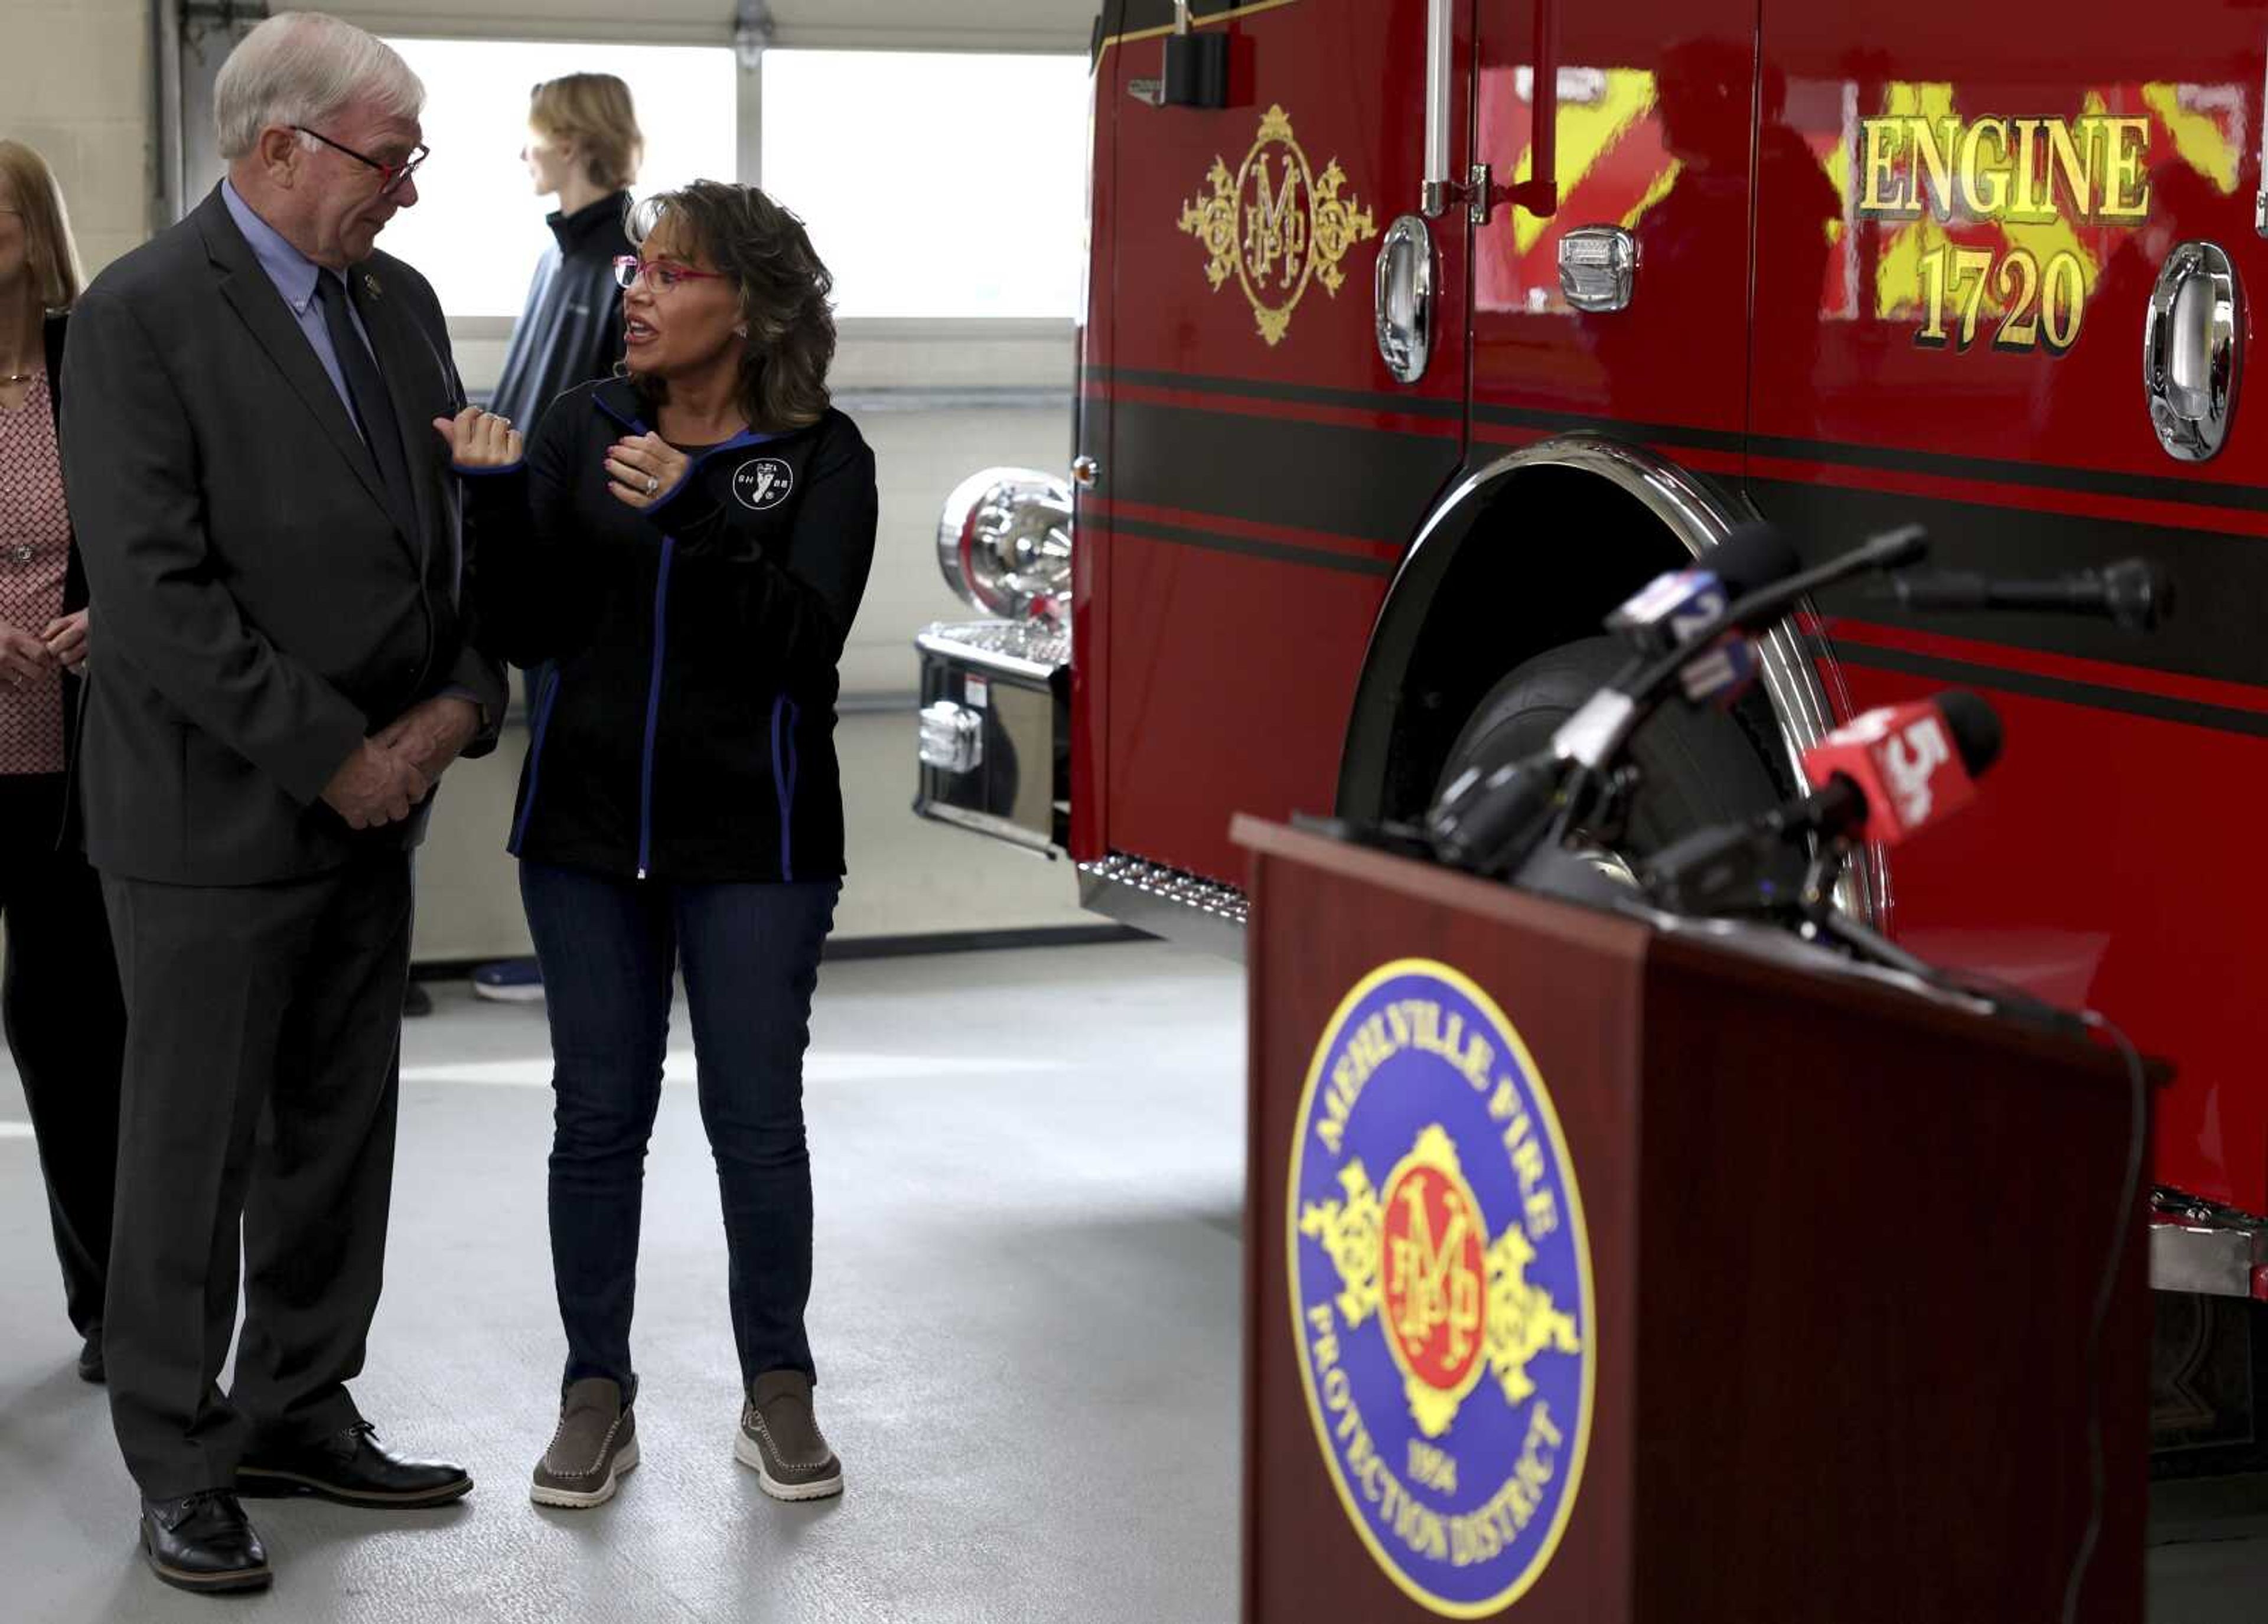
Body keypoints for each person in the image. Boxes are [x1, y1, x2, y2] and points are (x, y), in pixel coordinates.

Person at [58, 13, 507, 1596]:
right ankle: (179, 1459)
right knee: (186, 1153)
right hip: (210, 817)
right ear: (278, 151)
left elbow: (441, 532)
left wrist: (457, 699)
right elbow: (158, 596)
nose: (407, 192)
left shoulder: (396, 303)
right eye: (391, 161)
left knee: (337, 1131)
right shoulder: (140, 316)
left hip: (375, 804)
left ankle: (298, 1403)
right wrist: (338, 750)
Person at [441, 180, 876, 1509]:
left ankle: (779, 1390)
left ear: (745, 306)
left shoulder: (819, 454)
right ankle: (594, 1393)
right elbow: (529, 625)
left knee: (754, 1121)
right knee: (597, 1119)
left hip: (761, 841)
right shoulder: (585, 423)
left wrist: (697, 516)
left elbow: (805, 651)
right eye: (639, 266)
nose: (637, 287)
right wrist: (497, 499)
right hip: (581, 837)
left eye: (673, 272)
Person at [472, 71, 641, 1007]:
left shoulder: (627, 259)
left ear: (574, 139)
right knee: (558, 751)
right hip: (536, 548)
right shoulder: (558, 259)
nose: (525, 153)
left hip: (590, 565)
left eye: (535, 135)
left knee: (592, 750)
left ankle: (607, 953)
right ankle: (580, 946)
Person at [0, 139, 126, 1389]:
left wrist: (122, 612)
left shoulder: (98, 362)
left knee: (74, 1032)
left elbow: (170, 528)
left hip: (75, 764)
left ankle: (113, 1306)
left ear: (37, 231)